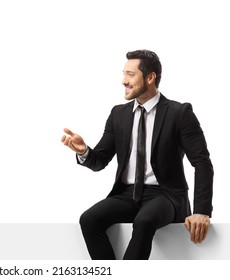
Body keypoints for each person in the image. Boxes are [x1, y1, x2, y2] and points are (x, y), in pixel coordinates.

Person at [61, 50, 213, 260]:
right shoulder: (118, 114)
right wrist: (84, 151)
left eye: (130, 75)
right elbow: (100, 161)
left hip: (165, 195)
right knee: (89, 219)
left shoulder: (180, 113)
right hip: (127, 194)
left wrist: (202, 211)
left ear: (150, 78)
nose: (124, 81)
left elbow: (202, 163)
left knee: (144, 221)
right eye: (123, 74)